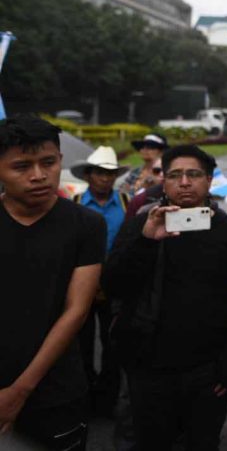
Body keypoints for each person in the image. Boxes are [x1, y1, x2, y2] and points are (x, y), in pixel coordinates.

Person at [103, 144, 227, 451]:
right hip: (148, 368)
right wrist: (146, 239)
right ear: (164, 181)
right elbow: (113, 285)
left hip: (207, 370)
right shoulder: (142, 224)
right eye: (175, 175)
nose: (184, 182)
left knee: (202, 442)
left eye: (194, 174)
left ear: (209, 180)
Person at [0, 115, 105, 450]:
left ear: (61, 160)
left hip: (57, 389)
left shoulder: (86, 224)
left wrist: (19, 391)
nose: (38, 175)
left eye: (48, 162)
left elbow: (76, 311)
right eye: (21, 166)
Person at [70, 145, 131, 417]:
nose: (106, 179)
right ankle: (85, 396)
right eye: (100, 173)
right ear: (89, 175)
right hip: (80, 285)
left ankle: (107, 401)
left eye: (110, 173)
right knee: (80, 345)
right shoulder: (75, 204)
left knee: (114, 345)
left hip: (115, 285)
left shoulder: (127, 202)